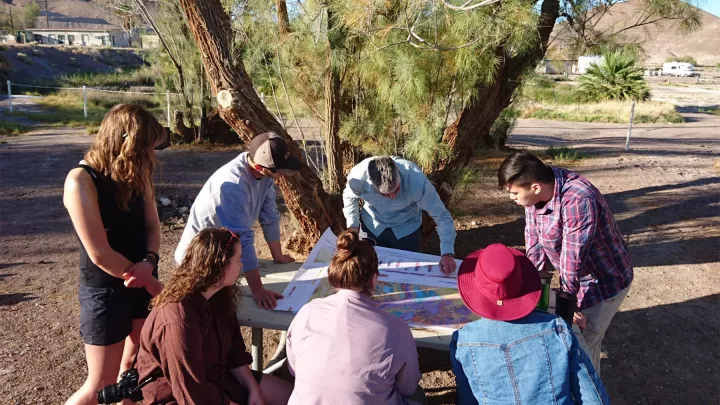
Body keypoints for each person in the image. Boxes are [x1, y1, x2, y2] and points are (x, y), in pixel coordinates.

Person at [63, 104, 167, 405]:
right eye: (146, 147)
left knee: (134, 369)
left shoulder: (138, 173)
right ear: (126, 142)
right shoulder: (80, 180)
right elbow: (99, 253)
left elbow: (152, 226)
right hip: (106, 290)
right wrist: (146, 279)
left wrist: (150, 262)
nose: (151, 155)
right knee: (99, 385)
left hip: (144, 275)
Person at [497, 151, 633, 374]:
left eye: (513, 193)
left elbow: (572, 259)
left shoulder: (577, 199)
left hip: (602, 283)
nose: (511, 198)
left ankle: (590, 396)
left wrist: (568, 307)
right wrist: (534, 294)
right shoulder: (535, 197)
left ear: (535, 187)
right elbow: (535, 245)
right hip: (578, 278)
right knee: (574, 344)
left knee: (581, 350)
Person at [137, 228, 293, 405]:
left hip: (219, 378)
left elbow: (234, 353)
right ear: (220, 266)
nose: (241, 266)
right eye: (238, 260)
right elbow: (191, 390)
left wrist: (253, 390)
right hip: (178, 396)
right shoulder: (178, 319)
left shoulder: (219, 295)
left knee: (294, 398)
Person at [450, 243, 610, 405]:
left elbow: (467, 400)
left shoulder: (463, 341)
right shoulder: (556, 329)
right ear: (523, 282)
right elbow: (594, 400)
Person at [286, 230, 426, 405]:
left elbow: (294, 369)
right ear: (374, 279)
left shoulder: (307, 312)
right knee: (418, 396)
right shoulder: (396, 329)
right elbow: (408, 387)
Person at [175, 132, 299, 310]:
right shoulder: (233, 186)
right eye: (278, 170)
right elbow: (243, 238)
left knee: (224, 318)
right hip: (198, 260)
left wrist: (277, 256)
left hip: (224, 257)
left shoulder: (265, 174)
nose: (283, 174)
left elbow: (270, 215)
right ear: (259, 166)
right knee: (200, 317)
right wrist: (257, 290)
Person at [342, 156, 457, 274]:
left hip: (406, 228)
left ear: (399, 173)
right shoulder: (358, 178)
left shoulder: (416, 180)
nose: (392, 197)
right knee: (368, 270)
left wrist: (447, 253)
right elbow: (350, 199)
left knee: (408, 271)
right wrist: (353, 228)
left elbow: (441, 216)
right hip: (371, 225)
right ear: (371, 182)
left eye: (396, 190)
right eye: (385, 194)